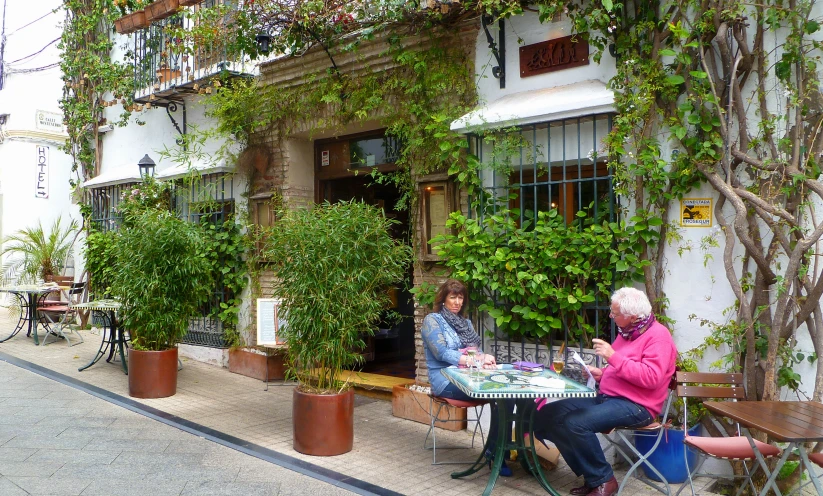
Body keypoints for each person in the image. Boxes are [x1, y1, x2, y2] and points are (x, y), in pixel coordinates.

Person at [531, 287, 677, 496]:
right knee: (547, 415)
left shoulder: (658, 336)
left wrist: (612, 356)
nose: (611, 315)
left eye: (615, 313)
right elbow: (622, 368)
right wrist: (602, 373)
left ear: (632, 315)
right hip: (608, 398)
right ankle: (591, 475)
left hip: (637, 406)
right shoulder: (628, 333)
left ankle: (604, 480)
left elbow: (651, 377)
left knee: (575, 423)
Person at [421, 279, 513, 476]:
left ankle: (498, 451)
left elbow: (476, 352)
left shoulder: (466, 323)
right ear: (443, 299)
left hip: (471, 377)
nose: (457, 302)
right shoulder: (433, 320)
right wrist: (474, 360)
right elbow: (442, 353)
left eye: (460, 297)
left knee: (508, 395)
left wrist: (484, 360)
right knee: (501, 396)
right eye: (452, 297)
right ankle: (496, 454)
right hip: (445, 379)